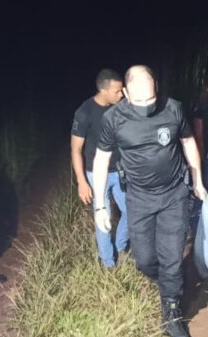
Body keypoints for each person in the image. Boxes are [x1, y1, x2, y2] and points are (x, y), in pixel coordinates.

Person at [92, 65, 208, 337]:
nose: (147, 106)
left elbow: (189, 142)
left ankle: (171, 312)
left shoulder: (173, 109)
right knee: (144, 260)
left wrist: (197, 179)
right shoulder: (113, 118)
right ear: (127, 93)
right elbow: (100, 160)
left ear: (157, 88)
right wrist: (100, 205)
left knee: (170, 256)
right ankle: (170, 280)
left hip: (173, 195)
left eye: (151, 100)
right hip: (139, 197)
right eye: (140, 101)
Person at [70, 69, 127, 268]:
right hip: (96, 173)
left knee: (132, 210)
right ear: (104, 90)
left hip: (120, 170)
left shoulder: (121, 108)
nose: (121, 95)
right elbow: (76, 150)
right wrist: (82, 182)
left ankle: (119, 247)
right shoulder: (84, 112)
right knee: (102, 216)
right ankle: (108, 263)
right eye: (117, 91)